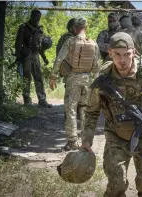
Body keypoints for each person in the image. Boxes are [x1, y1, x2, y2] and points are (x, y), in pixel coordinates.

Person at [81, 32, 142, 197]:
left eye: (127, 54)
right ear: (110, 53)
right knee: (116, 184)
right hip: (115, 135)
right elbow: (91, 111)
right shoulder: (103, 78)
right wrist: (87, 138)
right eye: (117, 54)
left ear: (134, 52)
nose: (122, 60)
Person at [49, 17, 100, 151]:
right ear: (86, 27)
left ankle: (72, 141)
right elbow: (97, 66)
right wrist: (96, 84)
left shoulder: (70, 42)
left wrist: (53, 76)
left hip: (73, 78)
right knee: (84, 110)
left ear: (74, 28)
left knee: (71, 109)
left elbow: (59, 59)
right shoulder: (93, 43)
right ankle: (85, 141)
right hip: (88, 79)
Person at [15, 9, 52, 108]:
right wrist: (18, 56)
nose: (37, 19)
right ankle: (27, 100)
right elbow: (18, 44)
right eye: (35, 17)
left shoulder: (40, 30)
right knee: (26, 78)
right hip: (26, 55)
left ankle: (42, 100)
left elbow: (40, 47)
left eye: (39, 18)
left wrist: (44, 58)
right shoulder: (23, 28)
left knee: (38, 78)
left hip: (36, 56)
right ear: (31, 16)